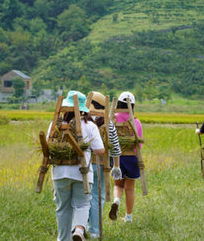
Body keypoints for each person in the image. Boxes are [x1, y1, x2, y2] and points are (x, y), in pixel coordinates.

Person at [46, 91, 105, 241]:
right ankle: (79, 229)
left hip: (60, 173)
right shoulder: (90, 125)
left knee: (62, 208)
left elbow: (47, 147)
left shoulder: (55, 125)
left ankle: (63, 238)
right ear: (83, 110)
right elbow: (100, 151)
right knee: (82, 204)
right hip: (82, 173)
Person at [87, 92, 122, 239]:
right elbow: (115, 147)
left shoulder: (82, 120)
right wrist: (116, 166)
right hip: (101, 165)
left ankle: (79, 227)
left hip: (83, 165)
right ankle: (94, 231)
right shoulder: (108, 123)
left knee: (82, 197)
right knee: (97, 197)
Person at [108, 91, 143, 223]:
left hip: (117, 158)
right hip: (132, 158)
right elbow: (139, 144)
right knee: (130, 188)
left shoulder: (113, 119)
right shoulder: (136, 122)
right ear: (132, 106)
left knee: (118, 185)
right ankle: (128, 217)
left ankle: (116, 200)